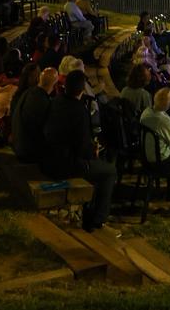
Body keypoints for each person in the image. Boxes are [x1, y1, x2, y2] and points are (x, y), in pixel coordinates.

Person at [41, 69, 117, 232]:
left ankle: (91, 210)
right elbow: (82, 147)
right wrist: (93, 152)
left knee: (98, 168)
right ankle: (99, 218)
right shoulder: (79, 110)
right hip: (67, 164)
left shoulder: (55, 102)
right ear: (82, 89)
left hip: (49, 158)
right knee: (109, 171)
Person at [11, 66, 57, 164]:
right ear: (54, 85)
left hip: (18, 145)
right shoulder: (43, 101)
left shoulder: (28, 93)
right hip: (28, 153)